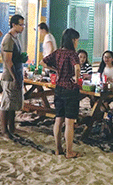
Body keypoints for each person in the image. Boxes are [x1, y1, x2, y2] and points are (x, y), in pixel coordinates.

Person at [42, 28, 81, 159]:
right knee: (69, 122)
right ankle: (69, 152)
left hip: (58, 88)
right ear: (73, 40)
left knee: (58, 119)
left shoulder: (57, 52)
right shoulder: (72, 54)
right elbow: (77, 67)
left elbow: (43, 62)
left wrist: (55, 69)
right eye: (76, 40)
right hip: (70, 89)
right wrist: (77, 80)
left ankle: (58, 149)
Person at [0, 14, 25, 138]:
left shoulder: (15, 38)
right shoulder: (8, 39)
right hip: (9, 76)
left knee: (12, 104)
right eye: (20, 25)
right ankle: (4, 130)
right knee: (6, 103)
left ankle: (12, 127)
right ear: (13, 25)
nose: (23, 27)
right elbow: (8, 61)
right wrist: (15, 78)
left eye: (23, 25)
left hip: (17, 72)